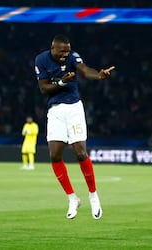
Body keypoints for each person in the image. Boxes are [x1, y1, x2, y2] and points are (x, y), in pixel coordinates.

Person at [34, 34, 115, 220]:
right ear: (52, 49)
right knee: (54, 155)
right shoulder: (41, 60)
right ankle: (72, 198)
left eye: (67, 51)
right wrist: (63, 81)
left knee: (80, 153)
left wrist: (99, 75)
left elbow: (85, 70)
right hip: (55, 110)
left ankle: (93, 195)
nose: (65, 54)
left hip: (73, 108)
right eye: (62, 51)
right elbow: (43, 88)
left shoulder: (72, 56)